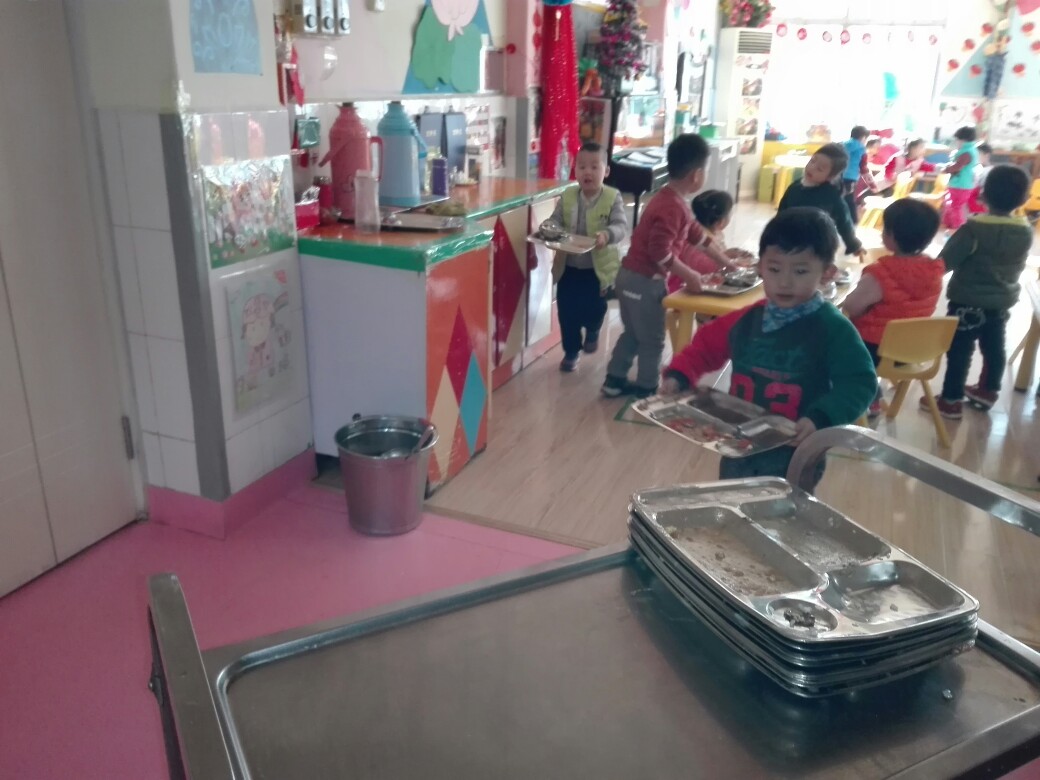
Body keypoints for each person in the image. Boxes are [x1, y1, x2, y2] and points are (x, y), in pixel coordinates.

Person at [659, 208, 877, 484]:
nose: (784, 282)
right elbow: (704, 348)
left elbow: (860, 383)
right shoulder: (745, 320)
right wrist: (679, 375)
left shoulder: (833, 329)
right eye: (774, 269)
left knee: (785, 506)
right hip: (739, 442)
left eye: (800, 271)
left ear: (827, 273)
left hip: (797, 449)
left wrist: (821, 417)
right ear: (760, 267)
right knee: (731, 497)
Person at [602, 133, 735, 399]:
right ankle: (647, 389)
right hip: (644, 281)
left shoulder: (672, 201)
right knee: (652, 340)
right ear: (697, 175)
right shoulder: (672, 207)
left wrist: (726, 261)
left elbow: (698, 236)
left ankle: (614, 380)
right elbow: (659, 252)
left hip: (628, 278)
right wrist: (690, 274)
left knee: (633, 333)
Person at [923, 164, 1033, 419]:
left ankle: (950, 400)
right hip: (1002, 302)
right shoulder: (1025, 230)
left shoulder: (973, 230)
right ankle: (987, 391)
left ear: (983, 194)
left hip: (966, 301)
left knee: (960, 351)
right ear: (1024, 199)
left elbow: (945, 262)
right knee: (994, 347)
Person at [843, 199, 944, 416]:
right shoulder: (934, 270)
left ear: (891, 236)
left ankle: (868, 396)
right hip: (915, 350)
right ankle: (874, 393)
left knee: (837, 342)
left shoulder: (880, 273)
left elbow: (851, 306)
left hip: (874, 353)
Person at [550, 142, 628, 372]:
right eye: (582, 166)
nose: (588, 172)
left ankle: (593, 329)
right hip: (568, 266)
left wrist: (607, 234)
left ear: (606, 171)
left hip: (597, 270)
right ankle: (571, 351)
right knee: (566, 311)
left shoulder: (612, 197)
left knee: (594, 308)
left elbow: (621, 226)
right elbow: (556, 220)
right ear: (575, 171)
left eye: (595, 167)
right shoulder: (568, 195)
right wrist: (550, 228)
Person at [777, 143, 865, 258]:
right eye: (812, 161)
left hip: (818, 245)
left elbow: (844, 222)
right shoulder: (795, 187)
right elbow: (782, 211)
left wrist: (853, 244)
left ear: (830, 176)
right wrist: (776, 232)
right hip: (791, 240)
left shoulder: (832, 196)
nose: (812, 168)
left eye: (820, 169)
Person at [666, 190, 749, 294]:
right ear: (720, 223)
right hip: (684, 286)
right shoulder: (697, 237)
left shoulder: (710, 232)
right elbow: (702, 267)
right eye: (730, 214)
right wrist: (726, 256)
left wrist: (730, 255)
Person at [942, 126, 980, 231]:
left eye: (958, 140)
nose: (957, 143)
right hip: (961, 183)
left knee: (956, 207)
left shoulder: (966, 152)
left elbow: (958, 166)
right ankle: (950, 226)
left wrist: (945, 169)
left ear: (963, 140)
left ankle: (958, 228)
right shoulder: (969, 150)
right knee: (951, 205)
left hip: (961, 184)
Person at [841, 126, 874, 221]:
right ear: (863, 138)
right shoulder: (861, 149)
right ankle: (853, 221)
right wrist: (872, 185)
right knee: (849, 200)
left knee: (839, 198)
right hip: (850, 178)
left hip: (838, 175)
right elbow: (863, 168)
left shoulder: (842, 145)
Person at [967, 143, 993, 215]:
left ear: (987, 155)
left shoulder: (991, 171)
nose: (975, 157)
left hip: (981, 200)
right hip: (970, 198)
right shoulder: (975, 169)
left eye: (978, 154)